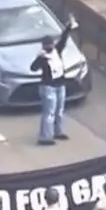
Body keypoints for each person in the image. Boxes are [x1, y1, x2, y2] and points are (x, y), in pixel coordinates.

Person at [31, 15, 76, 145]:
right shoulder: (43, 57)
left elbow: (63, 38)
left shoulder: (57, 51)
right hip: (48, 86)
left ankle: (58, 131)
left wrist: (68, 27)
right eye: (48, 45)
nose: (50, 47)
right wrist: (38, 58)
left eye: (51, 44)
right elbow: (33, 68)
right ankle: (45, 137)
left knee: (59, 110)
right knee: (49, 112)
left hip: (60, 84)